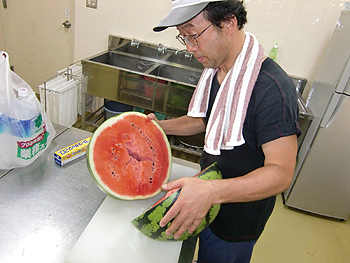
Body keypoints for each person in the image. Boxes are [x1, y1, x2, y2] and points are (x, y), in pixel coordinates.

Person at [149, 0, 301, 262]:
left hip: (236, 221)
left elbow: (281, 174)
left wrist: (212, 192)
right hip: (203, 195)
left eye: (194, 35)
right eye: (183, 37)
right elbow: (206, 120)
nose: (189, 48)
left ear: (228, 23)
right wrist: (157, 127)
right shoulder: (219, 71)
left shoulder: (272, 89)